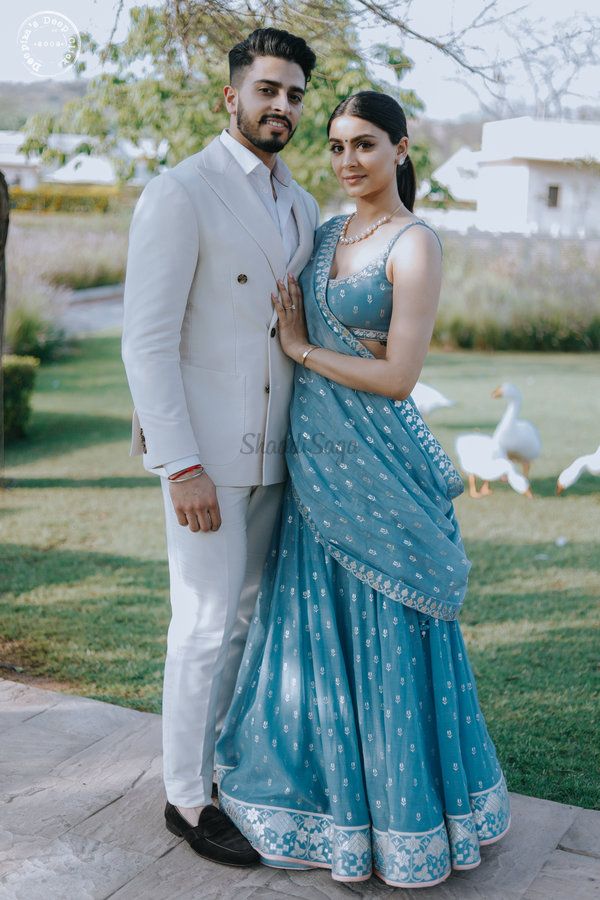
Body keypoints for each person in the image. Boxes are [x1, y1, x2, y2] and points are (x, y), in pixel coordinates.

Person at [215, 91, 511, 888]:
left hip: (381, 469)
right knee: (315, 641)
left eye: (366, 145)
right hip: (316, 473)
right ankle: (324, 809)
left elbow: (398, 376)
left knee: (388, 638)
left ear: (402, 150)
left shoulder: (414, 245)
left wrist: (302, 349)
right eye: (339, 145)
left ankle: (407, 820)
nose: (349, 161)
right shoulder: (321, 235)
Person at [121, 27, 319, 866]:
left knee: (242, 624)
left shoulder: (302, 203)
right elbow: (146, 341)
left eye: (294, 93)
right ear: (229, 98)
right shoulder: (181, 191)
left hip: (280, 453)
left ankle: (218, 773)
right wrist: (180, 464)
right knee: (201, 628)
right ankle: (185, 799)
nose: (281, 105)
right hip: (205, 458)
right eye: (267, 89)